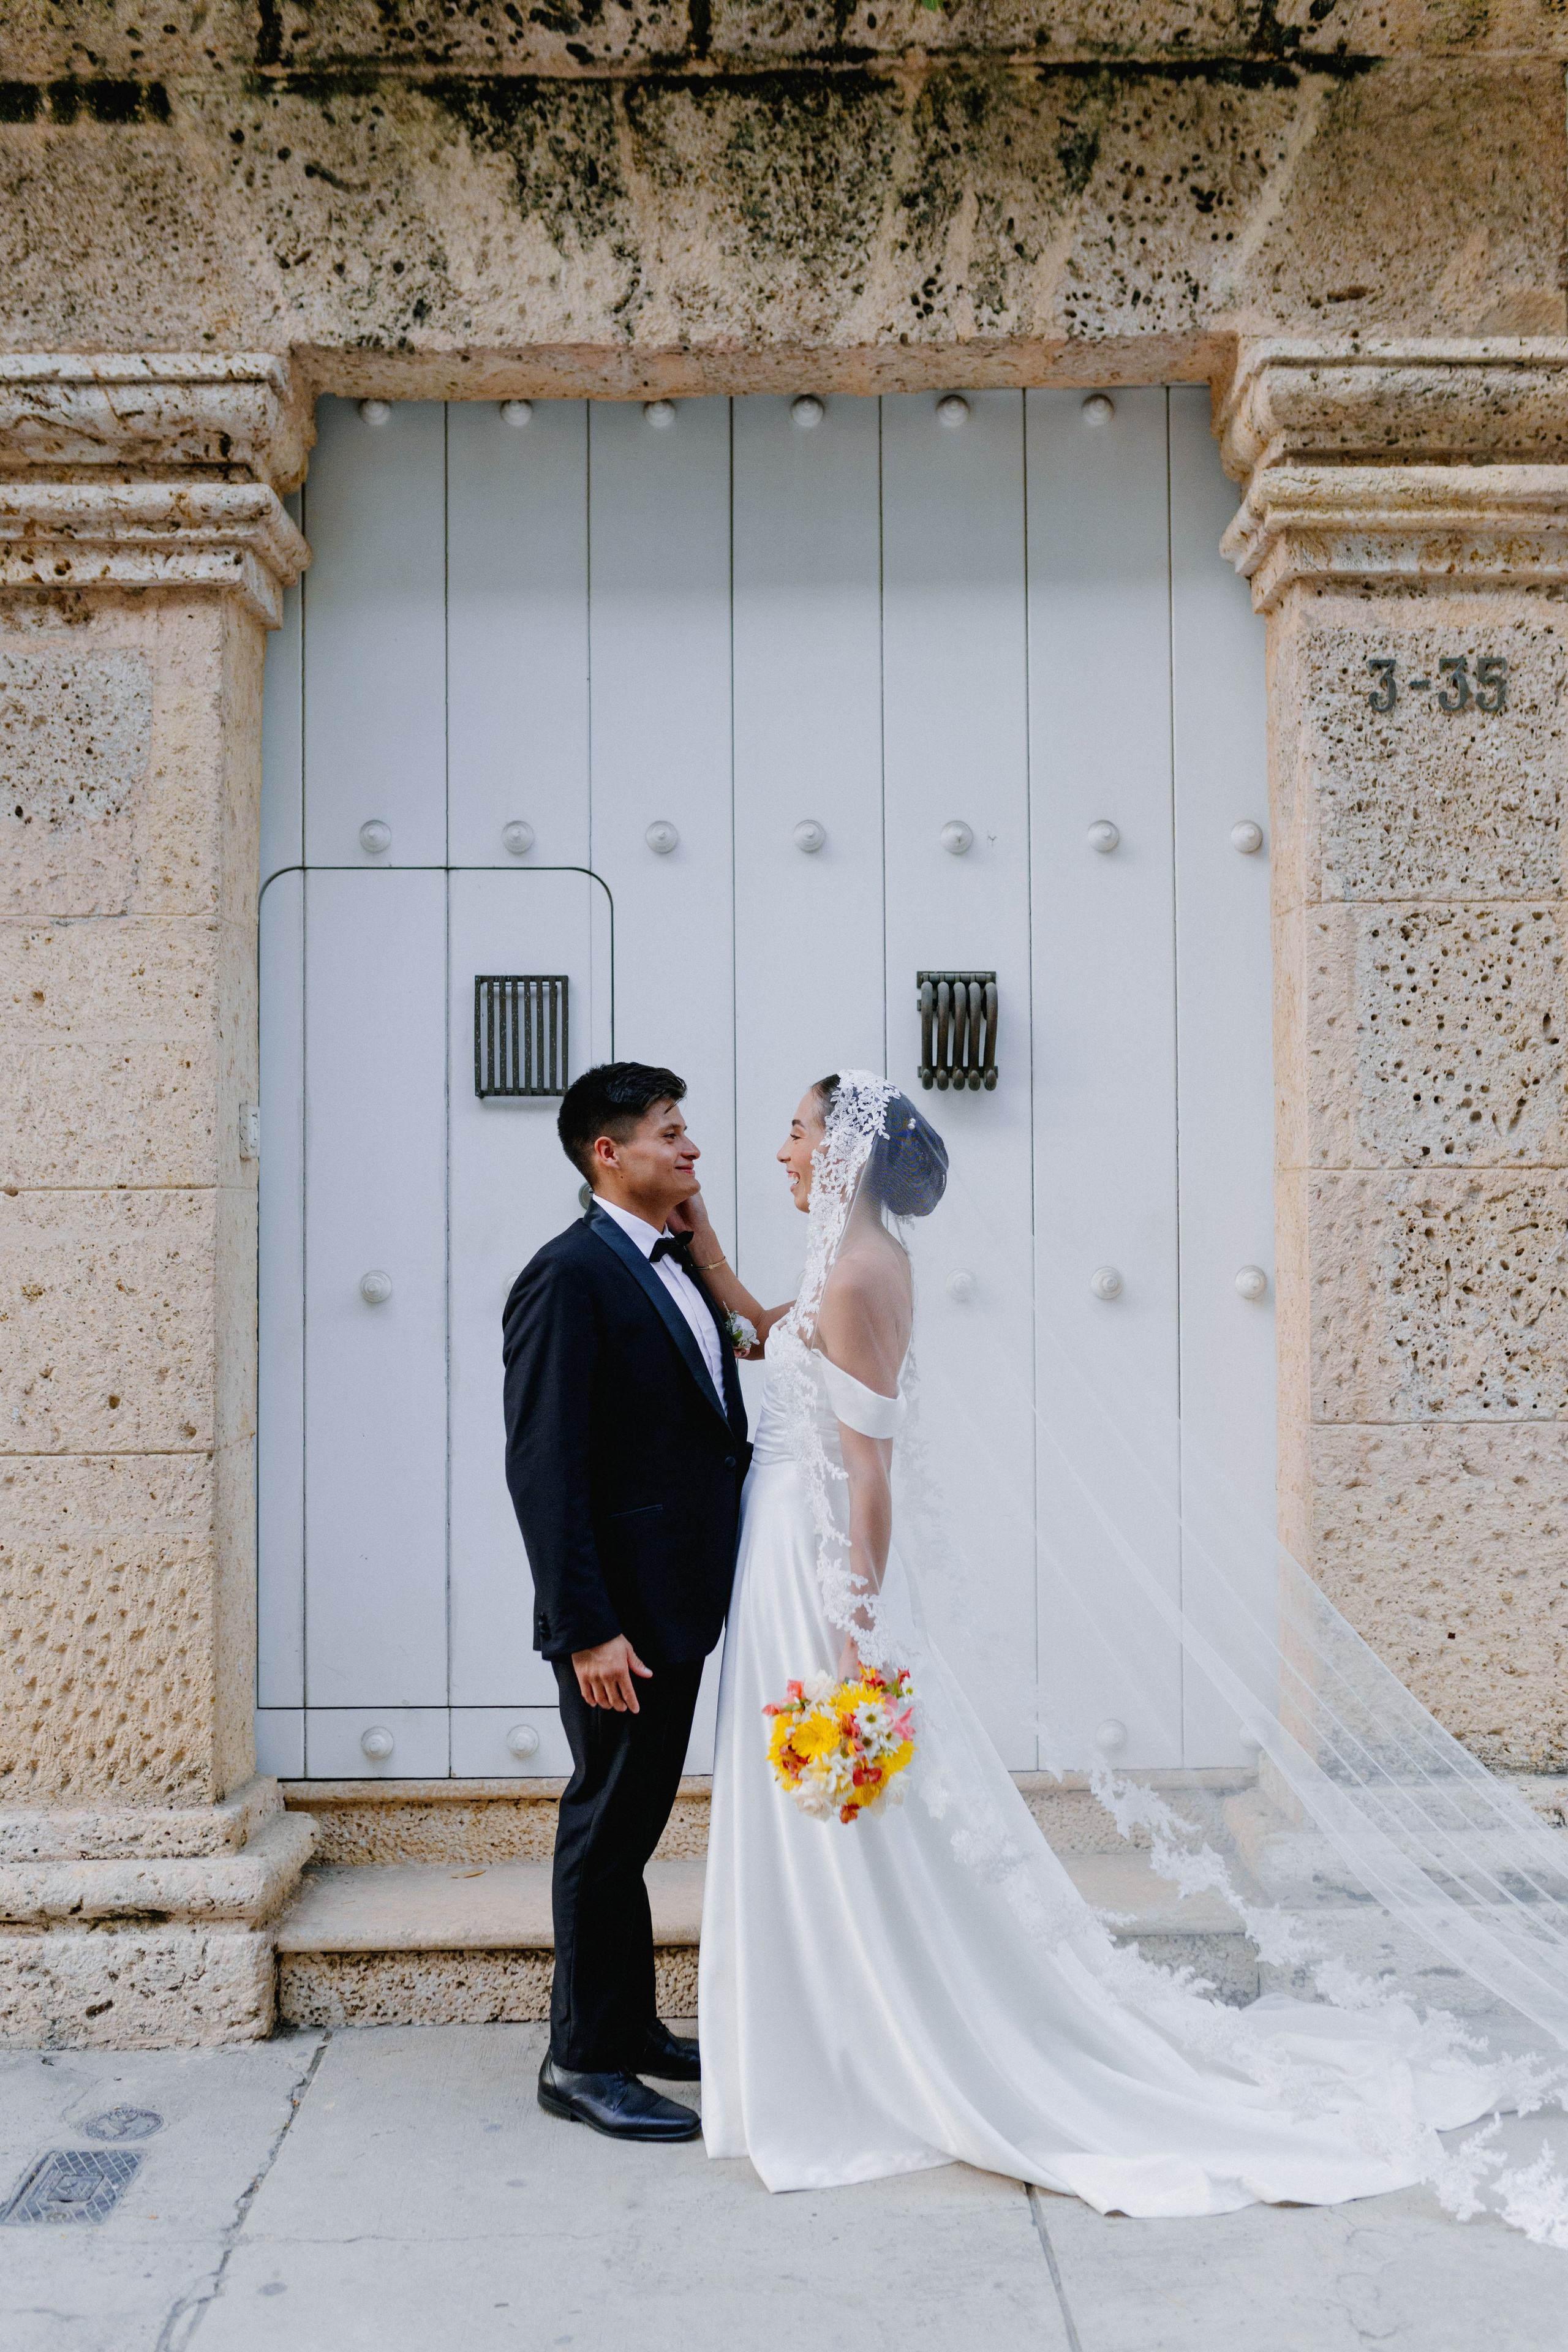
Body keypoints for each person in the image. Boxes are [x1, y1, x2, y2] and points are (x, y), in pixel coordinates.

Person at [680, 1072, 1507, 2211]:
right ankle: (822, 2027)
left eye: (797, 1131)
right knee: (816, 1814)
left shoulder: (868, 1271)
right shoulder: (840, 1259)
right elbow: (775, 1336)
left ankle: (865, 2042)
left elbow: (870, 1478)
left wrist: (853, 1636)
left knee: (845, 1806)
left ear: (846, 1155)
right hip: (782, 1547)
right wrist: (712, 1246)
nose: (779, 1148)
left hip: (818, 1565)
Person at [502, 1062, 750, 2143]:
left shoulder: (670, 1263)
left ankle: (631, 2022)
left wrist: (711, 1252)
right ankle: (582, 2058)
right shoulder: (569, 1276)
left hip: (675, 1602)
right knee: (604, 1825)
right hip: (620, 1621)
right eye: (670, 1132)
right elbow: (545, 1468)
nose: (692, 1149)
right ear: (610, 1153)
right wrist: (586, 1626)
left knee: (636, 1821)